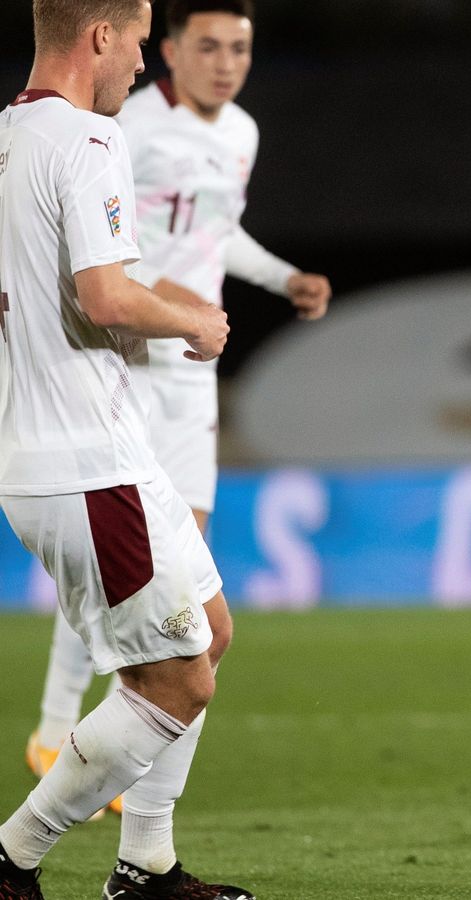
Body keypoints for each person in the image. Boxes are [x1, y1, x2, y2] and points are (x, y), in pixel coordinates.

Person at [22, 0, 331, 824]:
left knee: (184, 594)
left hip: (178, 372)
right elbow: (104, 270)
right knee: (136, 579)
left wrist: (279, 279)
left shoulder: (239, 135)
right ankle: (59, 734)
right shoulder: (119, 128)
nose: (227, 63)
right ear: (161, 48)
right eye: (210, 46)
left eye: (242, 48)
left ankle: (145, 835)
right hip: (124, 362)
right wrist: (179, 305)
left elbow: (216, 231)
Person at [0, 1, 251, 897]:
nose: (145, 60)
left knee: (210, 635)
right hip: (86, 463)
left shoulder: (9, 137)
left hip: (87, 448)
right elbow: (106, 297)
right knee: (179, 681)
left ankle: (146, 863)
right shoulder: (90, 140)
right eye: (141, 39)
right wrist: (192, 317)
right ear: (100, 34)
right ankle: (13, 855)